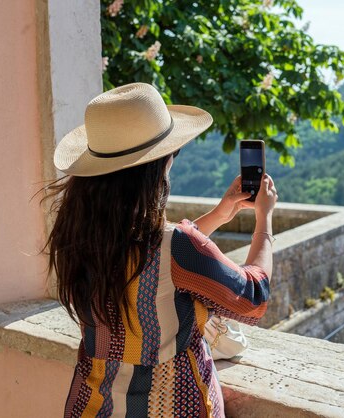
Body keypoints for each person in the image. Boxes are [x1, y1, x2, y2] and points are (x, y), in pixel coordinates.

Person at [45, 82, 277, 417]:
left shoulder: (76, 237)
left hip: (92, 406)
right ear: (157, 167)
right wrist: (264, 220)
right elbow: (253, 298)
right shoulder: (178, 246)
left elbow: (154, 263)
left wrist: (219, 214)